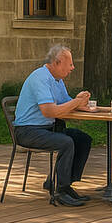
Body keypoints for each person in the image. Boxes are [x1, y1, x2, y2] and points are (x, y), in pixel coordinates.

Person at [13, 44, 93, 207]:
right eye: (70, 64)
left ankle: (61, 183)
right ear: (57, 63)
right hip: (28, 131)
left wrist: (80, 102)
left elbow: (65, 103)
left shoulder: (57, 80)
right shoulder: (40, 78)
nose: (73, 68)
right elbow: (49, 111)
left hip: (47, 128)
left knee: (82, 139)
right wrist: (76, 102)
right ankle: (60, 192)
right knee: (66, 142)